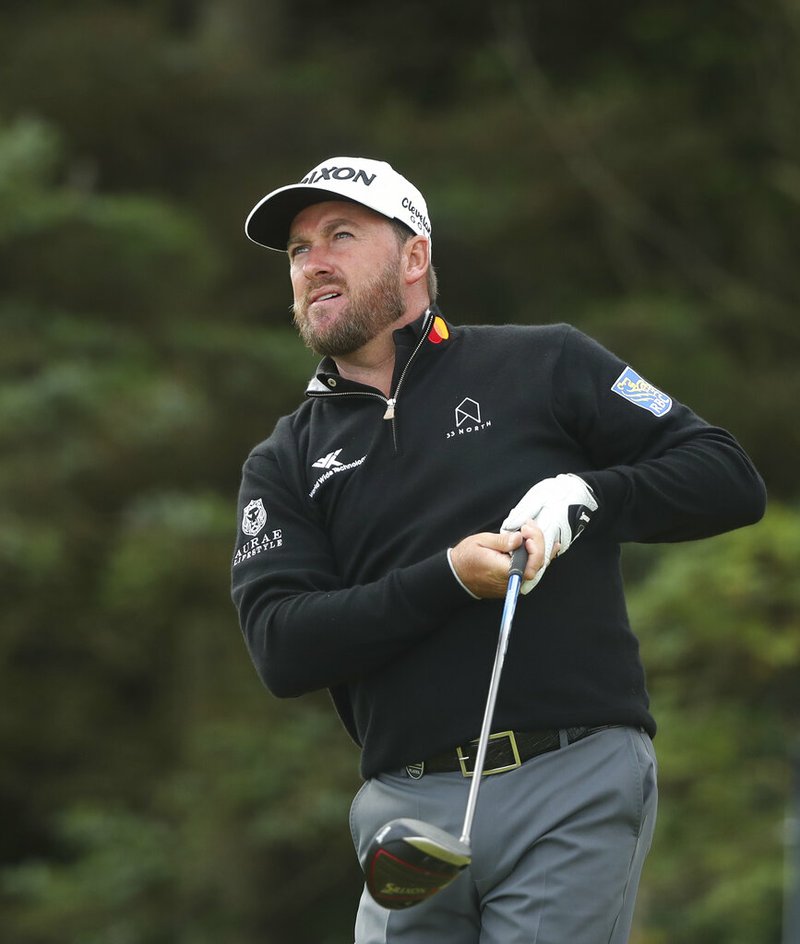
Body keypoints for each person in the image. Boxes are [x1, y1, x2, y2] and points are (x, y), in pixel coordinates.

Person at [231, 156, 766, 943]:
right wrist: (449, 577)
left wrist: (590, 496)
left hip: (572, 777)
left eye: (341, 234)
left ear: (414, 257)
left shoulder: (545, 362)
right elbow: (284, 648)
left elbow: (726, 476)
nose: (315, 262)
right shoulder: (283, 460)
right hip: (404, 812)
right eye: (299, 249)